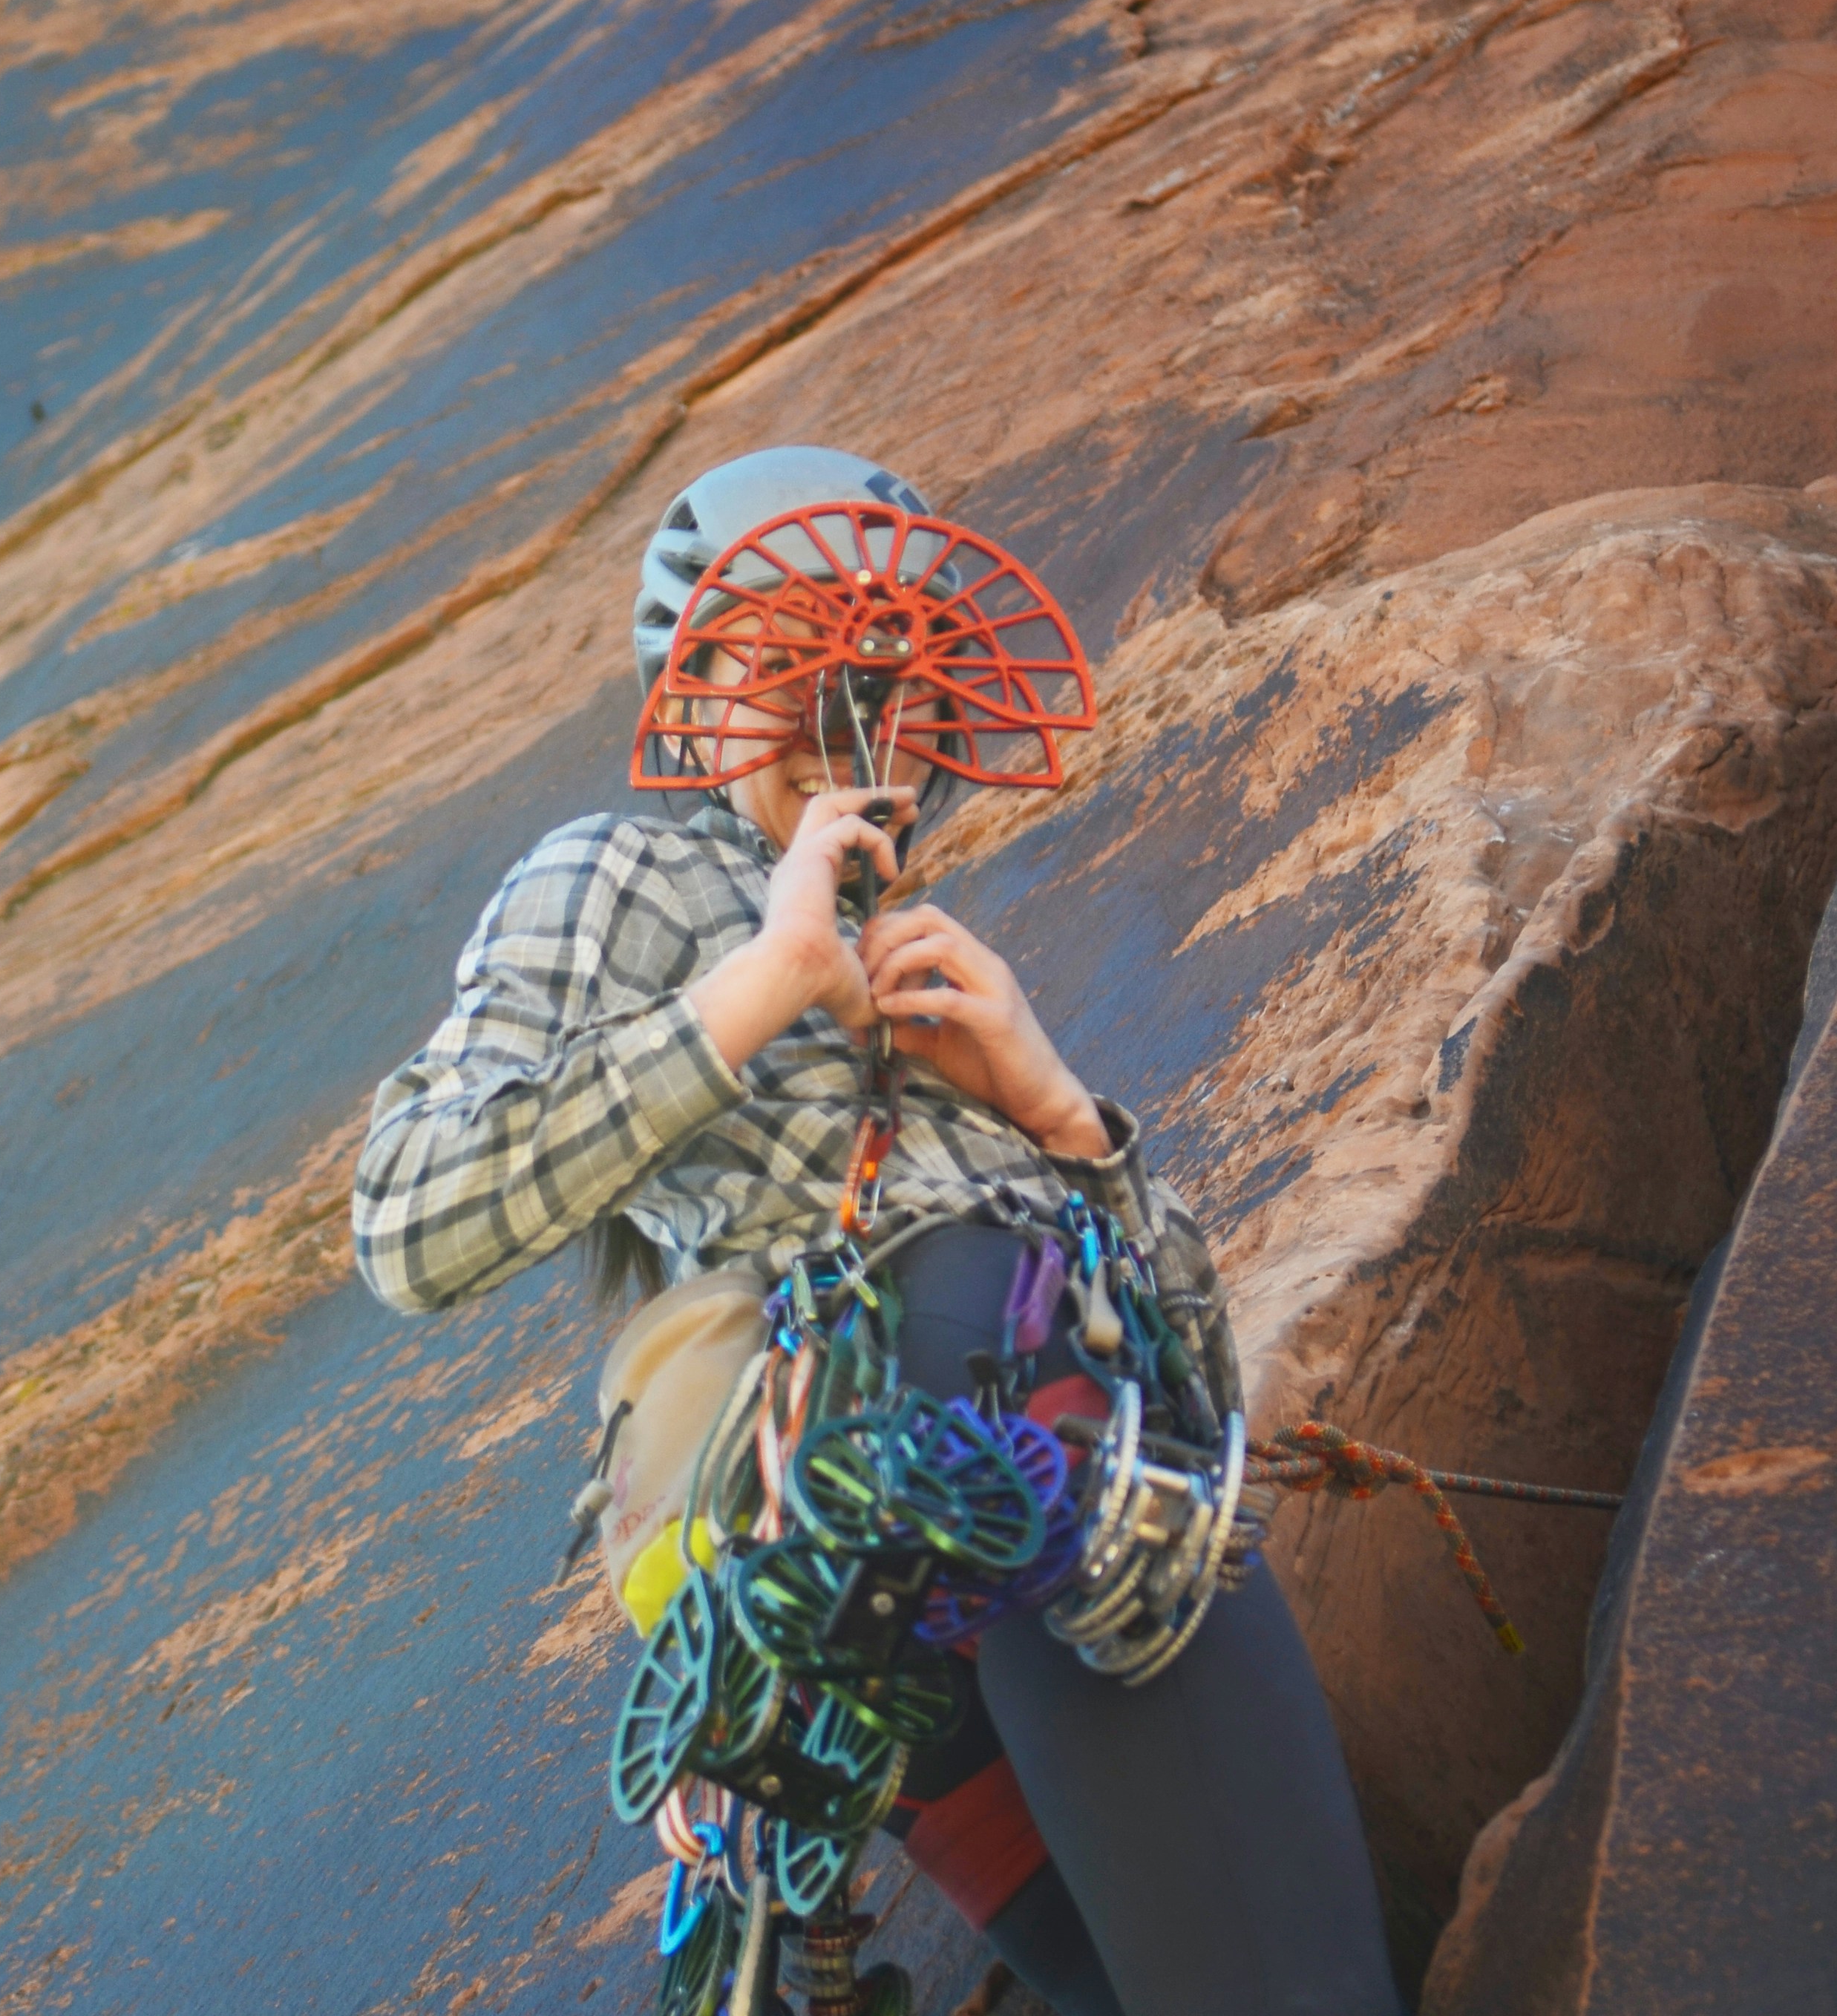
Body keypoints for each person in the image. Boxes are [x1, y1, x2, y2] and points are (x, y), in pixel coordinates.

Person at [353, 447, 1401, 2016]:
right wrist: (755, 988)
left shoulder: (931, 969)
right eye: (798, 665)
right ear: (693, 696)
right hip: (891, 1492)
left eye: (893, 672)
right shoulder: (621, 874)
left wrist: (1059, 1118)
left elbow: (1192, 1391)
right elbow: (409, 1221)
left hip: (995, 1525)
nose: (855, 713)